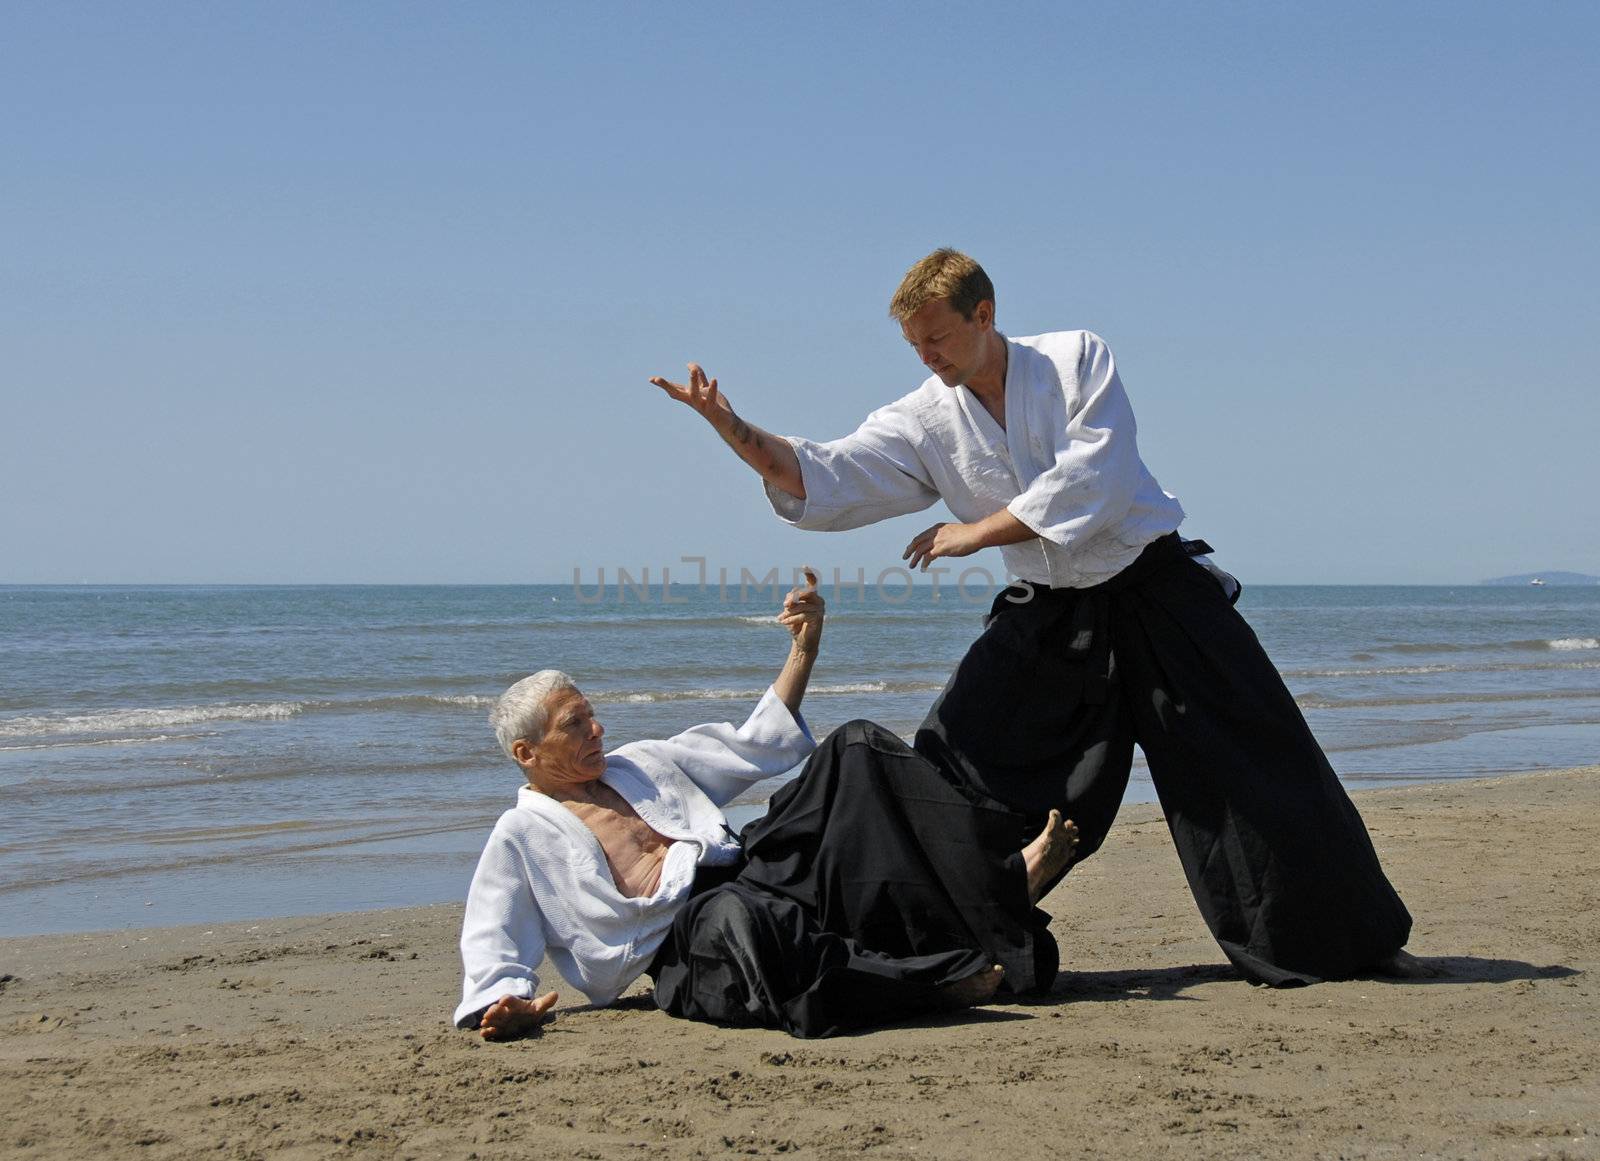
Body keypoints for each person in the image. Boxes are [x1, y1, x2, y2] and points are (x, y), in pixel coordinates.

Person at [650, 249, 1420, 987]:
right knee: (957, 759)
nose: (928, 358)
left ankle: (1347, 944)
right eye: (915, 345)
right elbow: (827, 473)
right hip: (1049, 614)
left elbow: (1099, 477)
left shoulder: (1074, 358)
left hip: (1154, 587)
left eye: (939, 338)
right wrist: (735, 430)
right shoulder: (926, 417)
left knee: (1256, 758)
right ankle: (953, 932)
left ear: (985, 314)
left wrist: (974, 532)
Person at [454, 569, 1078, 1040]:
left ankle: (997, 878)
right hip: (684, 937)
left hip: (750, 869)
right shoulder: (520, 834)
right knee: (744, 920)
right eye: (575, 724)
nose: (597, 730)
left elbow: (754, 743)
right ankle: (931, 986)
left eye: (592, 715)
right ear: (527, 752)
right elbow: (494, 928)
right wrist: (501, 1002)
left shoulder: (640, 763)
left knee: (855, 748)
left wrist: (804, 648)